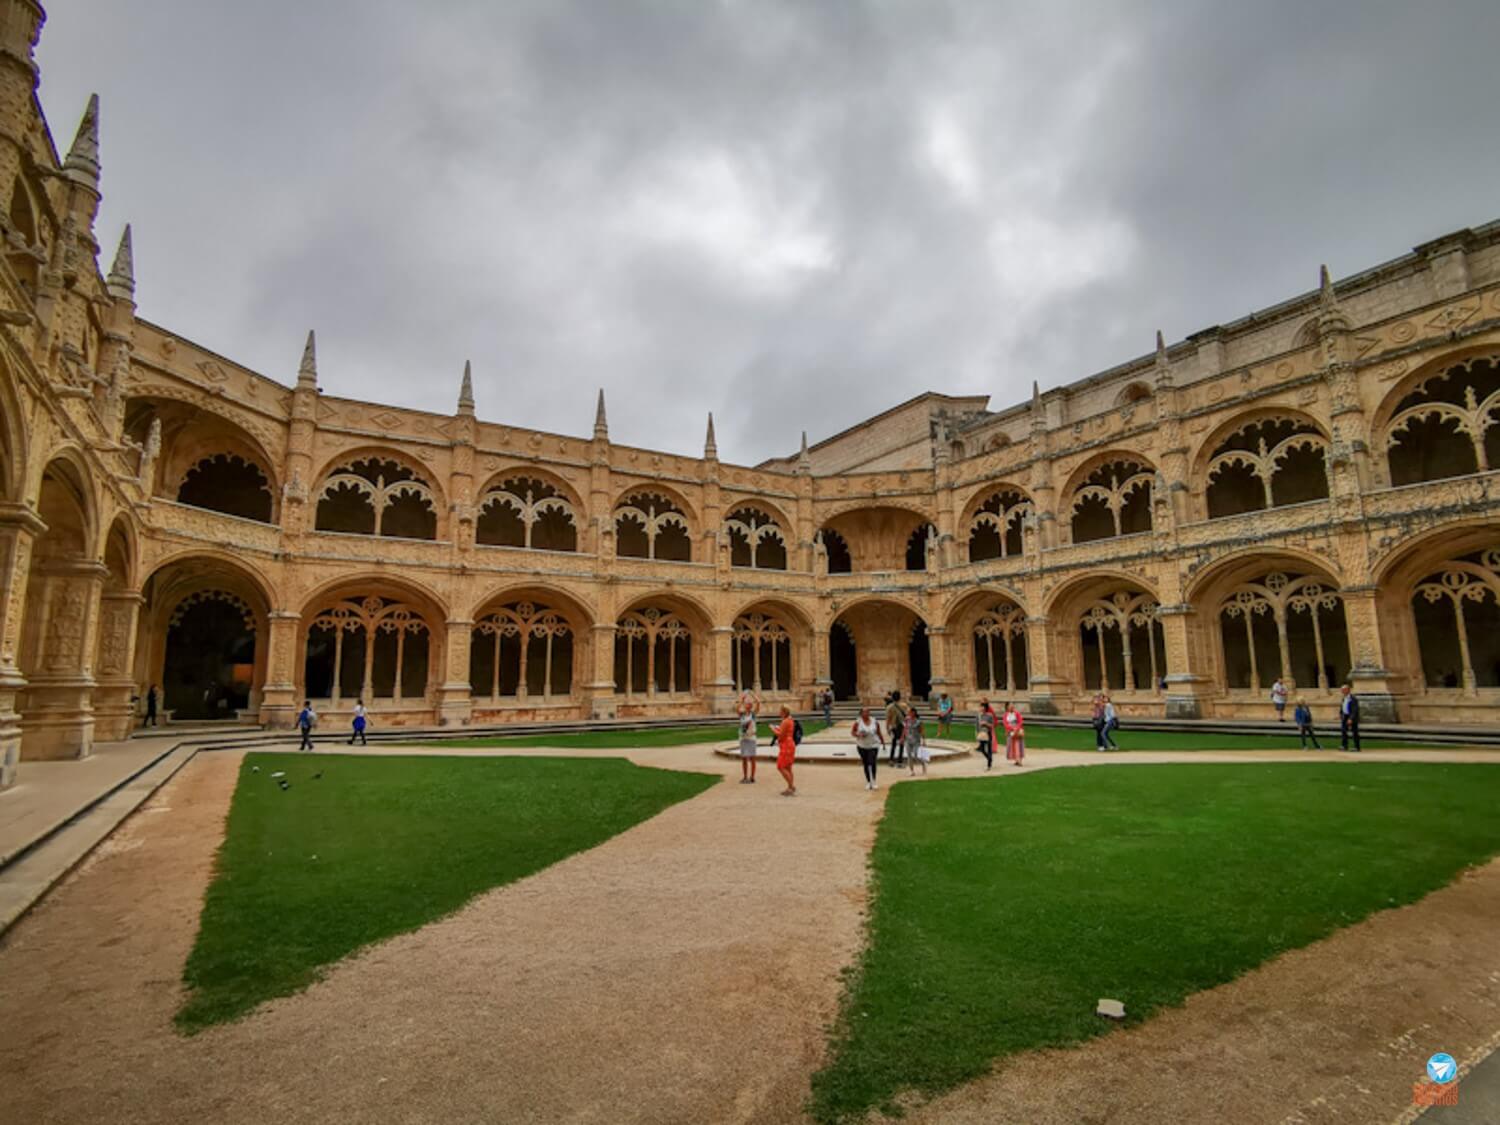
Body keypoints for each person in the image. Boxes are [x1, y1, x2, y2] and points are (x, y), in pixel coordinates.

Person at [851, 707, 883, 790]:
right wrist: (859, 735)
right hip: (862, 745)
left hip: (873, 745)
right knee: (865, 763)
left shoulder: (874, 721)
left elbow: (879, 732)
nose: (866, 714)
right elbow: (853, 732)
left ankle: (874, 781)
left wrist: (882, 742)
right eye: (864, 712)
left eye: (867, 712)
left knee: (872, 762)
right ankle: (869, 781)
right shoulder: (858, 722)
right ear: (861, 714)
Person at [773, 704, 798, 795]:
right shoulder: (790, 720)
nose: (779, 712)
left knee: (780, 766)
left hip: (786, 745)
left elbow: (780, 735)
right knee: (788, 767)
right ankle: (790, 787)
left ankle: (791, 786)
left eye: (780, 710)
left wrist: (773, 729)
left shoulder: (785, 721)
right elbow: (785, 732)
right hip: (790, 744)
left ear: (784, 712)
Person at [885, 692, 906, 766]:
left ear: (892, 698)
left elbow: (888, 719)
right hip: (902, 726)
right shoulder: (904, 705)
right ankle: (900, 760)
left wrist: (887, 728)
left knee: (893, 743)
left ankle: (891, 759)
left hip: (894, 726)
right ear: (900, 697)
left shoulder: (889, 707)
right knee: (902, 743)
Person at [737, 705, 758, 783]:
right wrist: (741, 701)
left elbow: (758, 704)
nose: (747, 705)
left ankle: (752, 777)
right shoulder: (742, 714)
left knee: (752, 758)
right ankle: (745, 777)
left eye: (748, 704)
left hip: (751, 737)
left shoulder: (753, 714)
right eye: (746, 704)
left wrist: (753, 695)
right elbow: (737, 708)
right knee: (744, 758)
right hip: (743, 738)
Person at [905, 705, 927, 776]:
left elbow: (922, 731)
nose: (908, 713)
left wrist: (924, 740)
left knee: (916, 755)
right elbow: (905, 728)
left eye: (909, 712)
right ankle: (912, 771)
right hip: (908, 740)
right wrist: (902, 737)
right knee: (909, 756)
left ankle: (923, 763)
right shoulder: (907, 720)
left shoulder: (919, 722)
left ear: (913, 713)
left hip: (916, 740)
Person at [1002, 700, 1025, 766]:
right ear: (1007, 707)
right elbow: (1005, 724)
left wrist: (1016, 729)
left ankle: (1019, 760)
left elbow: (1020, 722)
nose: (1012, 706)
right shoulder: (1005, 715)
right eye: (1010, 705)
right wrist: (1012, 729)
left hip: (1017, 731)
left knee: (1018, 745)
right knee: (1012, 746)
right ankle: (1016, 759)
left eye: (1012, 705)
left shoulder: (1017, 713)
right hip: (1010, 731)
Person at [976, 698, 997, 769]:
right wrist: (977, 733)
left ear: (986, 708)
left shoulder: (990, 715)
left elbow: (992, 725)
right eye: (980, 707)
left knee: (989, 749)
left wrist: (986, 724)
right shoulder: (978, 716)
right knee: (982, 749)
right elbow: (977, 726)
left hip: (988, 733)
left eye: (983, 707)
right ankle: (989, 758)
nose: (981, 708)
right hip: (981, 733)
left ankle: (989, 764)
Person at [1339, 684, 1361, 752]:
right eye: (1342, 690)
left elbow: (1355, 710)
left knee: (1354, 732)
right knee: (1344, 731)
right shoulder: (1344, 698)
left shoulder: (1353, 699)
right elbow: (1342, 707)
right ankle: (1344, 746)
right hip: (1345, 716)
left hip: (1351, 717)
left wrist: (1351, 718)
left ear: (1348, 690)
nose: (1342, 691)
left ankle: (1356, 747)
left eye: (1344, 690)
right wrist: (1340, 714)